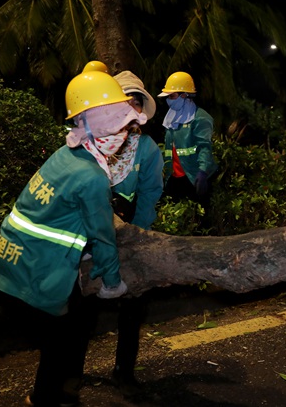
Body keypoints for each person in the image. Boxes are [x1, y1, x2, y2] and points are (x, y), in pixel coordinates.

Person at [0, 63, 145, 407]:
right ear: (99, 126)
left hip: (10, 262)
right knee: (60, 343)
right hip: (36, 276)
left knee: (70, 332)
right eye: (118, 124)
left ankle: (60, 393)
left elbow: (61, 216)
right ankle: (44, 399)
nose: (124, 133)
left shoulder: (66, 154)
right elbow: (103, 238)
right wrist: (113, 283)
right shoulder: (91, 176)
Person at [107, 69, 164, 393]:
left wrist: (132, 238)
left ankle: (123, 372)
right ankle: (66, 378)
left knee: (132, 304)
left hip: (129, 234)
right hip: (88, 232)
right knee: (77, 311)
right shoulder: (94, 141)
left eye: (136, 103)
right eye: (123, 102)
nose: (130, 110)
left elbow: (150, 196)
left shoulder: (148, 151)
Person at [157, 71, 218, 208]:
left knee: (199, 222)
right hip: (174, 178)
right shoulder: (171, 118)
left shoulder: (200, 118)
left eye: (172, 96)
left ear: (184, 95)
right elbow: (169, 149)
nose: (169, 100)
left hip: (193, 178)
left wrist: (203, 172)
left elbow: (205, 147)